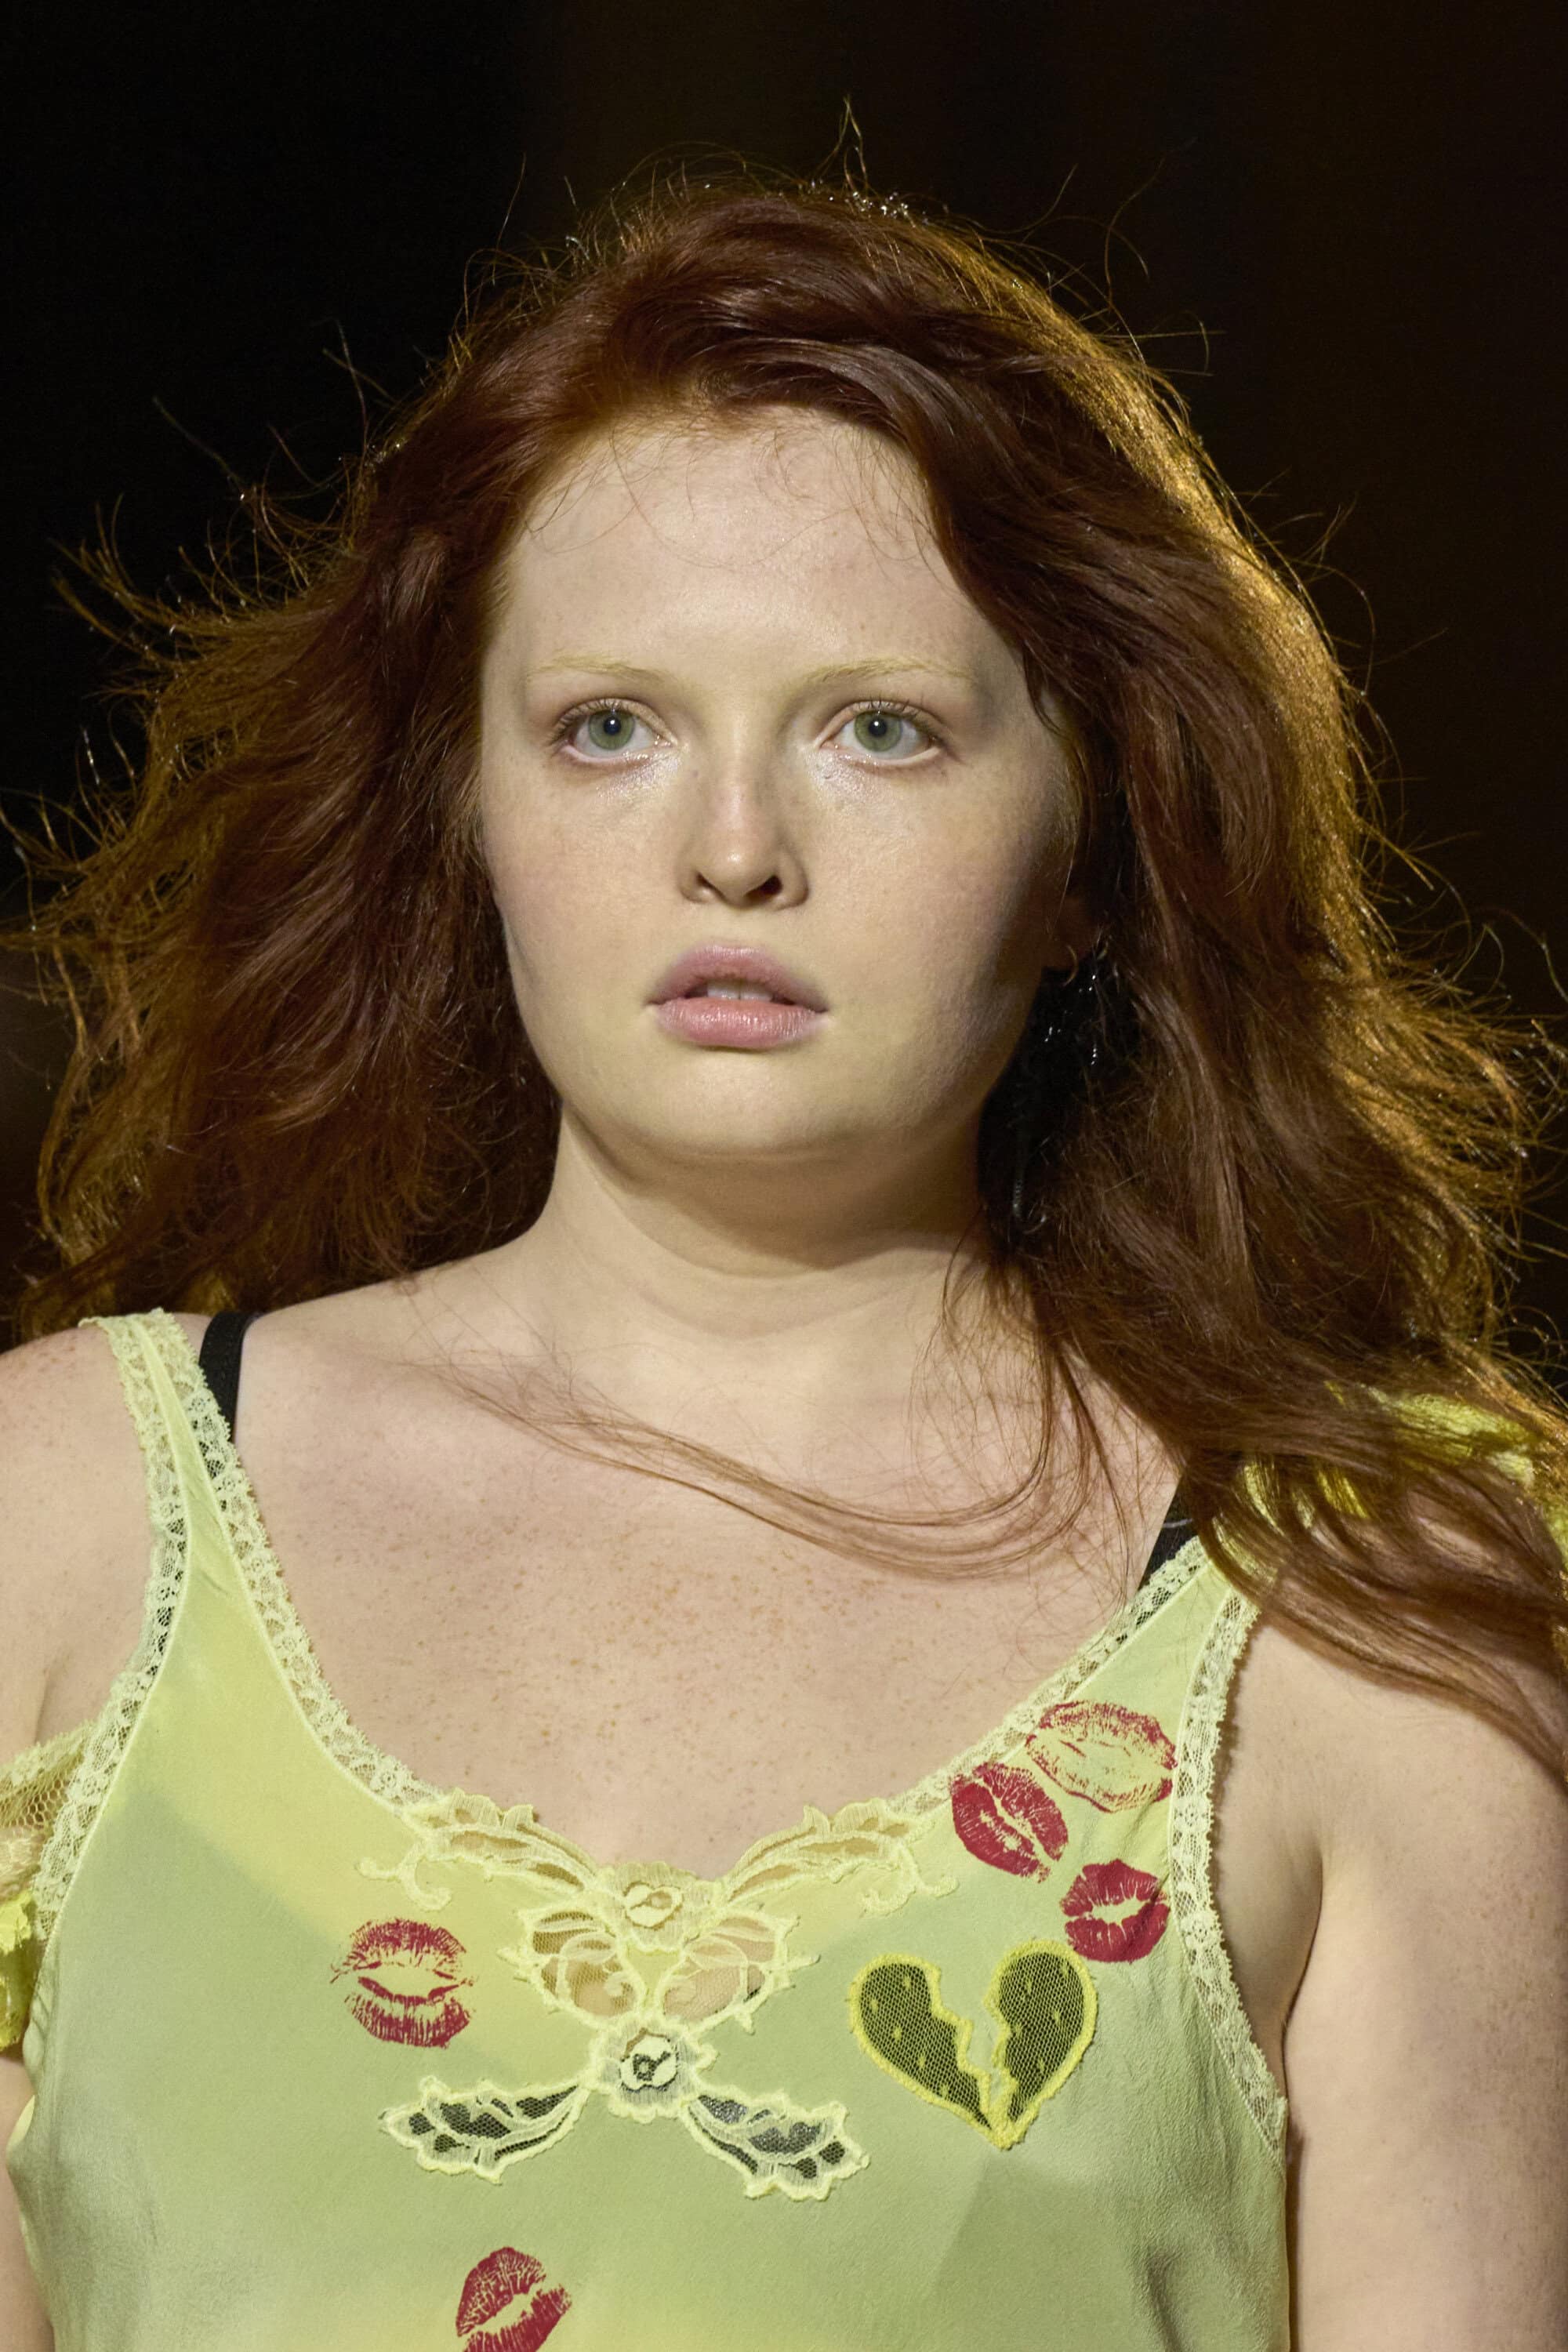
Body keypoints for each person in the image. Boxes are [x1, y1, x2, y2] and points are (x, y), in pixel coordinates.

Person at [0, 164, 1564, 2351]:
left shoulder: (1367, 1605)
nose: (733, 850)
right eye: (609, 728)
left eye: (880, 729)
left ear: (1096, 846)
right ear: (466, 813)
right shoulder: (64, 1521)